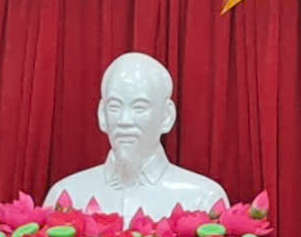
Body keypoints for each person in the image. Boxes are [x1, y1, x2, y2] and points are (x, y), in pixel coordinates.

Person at [43, 51, 229, 219]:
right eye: (115, 106)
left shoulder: (203, 199)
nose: (125, 121)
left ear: (167, 116)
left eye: (140, 107)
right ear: (102, 114)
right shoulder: (66, 196)